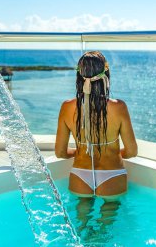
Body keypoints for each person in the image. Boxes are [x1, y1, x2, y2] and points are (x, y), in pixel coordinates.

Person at [55, 51, 138, 199]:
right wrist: (112, 152)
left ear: (79, 76)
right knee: (109, 219)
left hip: (79, 174)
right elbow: (131, 152)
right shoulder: (118, 107)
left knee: (81, 220)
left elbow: (60, 153)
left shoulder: (67, 107)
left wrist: (79, 151)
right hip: (112, 173)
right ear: (105, 74)